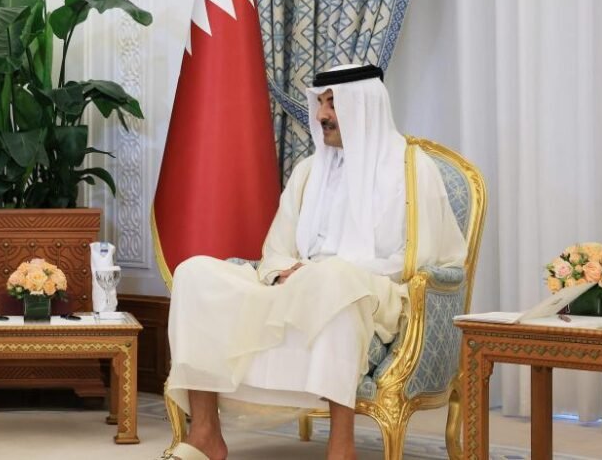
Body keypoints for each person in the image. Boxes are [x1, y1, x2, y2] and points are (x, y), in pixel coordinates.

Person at [161, 64, 467, 460]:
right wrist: (280, 274)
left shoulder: (412, 170)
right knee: (195, 273)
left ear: (364, 106)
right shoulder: (309, 171)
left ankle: (342, 447)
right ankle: (205, 434)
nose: (321, 115)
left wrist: (326, 272)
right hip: (299, 284)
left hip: (375, 291)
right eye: (320, 103)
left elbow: (418, 258)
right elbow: (276, 249)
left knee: (335, 280)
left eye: (333, 104)